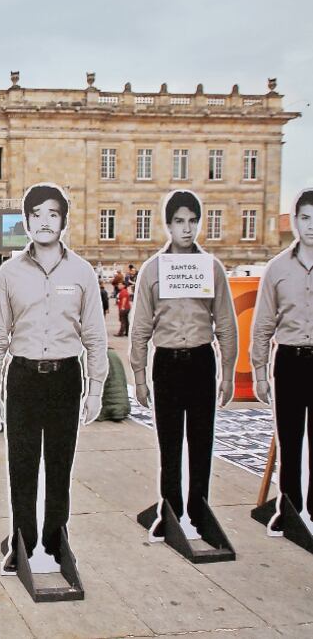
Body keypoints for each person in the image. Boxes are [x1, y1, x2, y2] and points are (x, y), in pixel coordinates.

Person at [0, 183, 107, 572]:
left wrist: (95, 387)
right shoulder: (9, 273)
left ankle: (54, 540)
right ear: (26, 221)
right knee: (21, 465)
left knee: (59, 463)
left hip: (66, 378)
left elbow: (95, 335)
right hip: (23, 378)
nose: (45, 222)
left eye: (53, 214)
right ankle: (23, 539)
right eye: (37, 215)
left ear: (64, 221)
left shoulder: (82, 272)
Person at [130, 189, 237, 536]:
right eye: (179, 221)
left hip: (201, 361)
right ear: (168, 225)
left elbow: (225, 323)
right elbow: (140, 327)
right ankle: (172, 510)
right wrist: (140, 376)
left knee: (202, 440)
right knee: (170, 442)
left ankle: (199, 509)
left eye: (192, 221)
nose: (187, 229)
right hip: (167, 364)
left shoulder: (212, 268)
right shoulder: (153, 270)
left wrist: (228, 374)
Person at [252, 188, 313, 524]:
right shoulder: (277, 268)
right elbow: (262, 324)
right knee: (290, 440)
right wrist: (260, 372)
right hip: (289, 360)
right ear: (296, 220)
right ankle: (289, 508)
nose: (311, 226)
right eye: (305, 218)